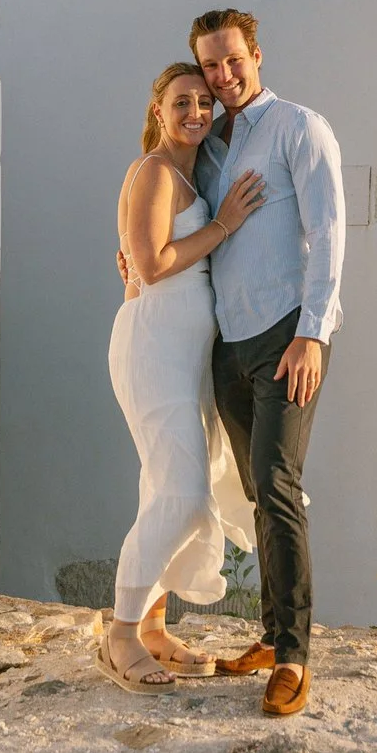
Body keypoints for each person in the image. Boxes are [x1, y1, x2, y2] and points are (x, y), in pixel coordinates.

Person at [189, 9, 345, 717]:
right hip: (231, 344)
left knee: (278, 486)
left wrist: (313, 332)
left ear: (256, 53)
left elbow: (329, 230)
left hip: (288, 336)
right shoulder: (212, 145)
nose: (222, 77)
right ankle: (271, 631)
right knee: (256, 492)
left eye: (232, 61)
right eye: (211, 66)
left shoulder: (299, 128)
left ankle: (293, 658)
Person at [97, 62, 268, 693]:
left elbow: (143, 267)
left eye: (203, 101)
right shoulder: (153, 172)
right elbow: (152, 262)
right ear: (157, 111)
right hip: (156, 352)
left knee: (161, 486)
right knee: (184, 495)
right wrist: (224, 225)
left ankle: (152, 627)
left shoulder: (188, 172)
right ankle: (118, 638)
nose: (195, 111)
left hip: (187, 356)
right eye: (181, 102)